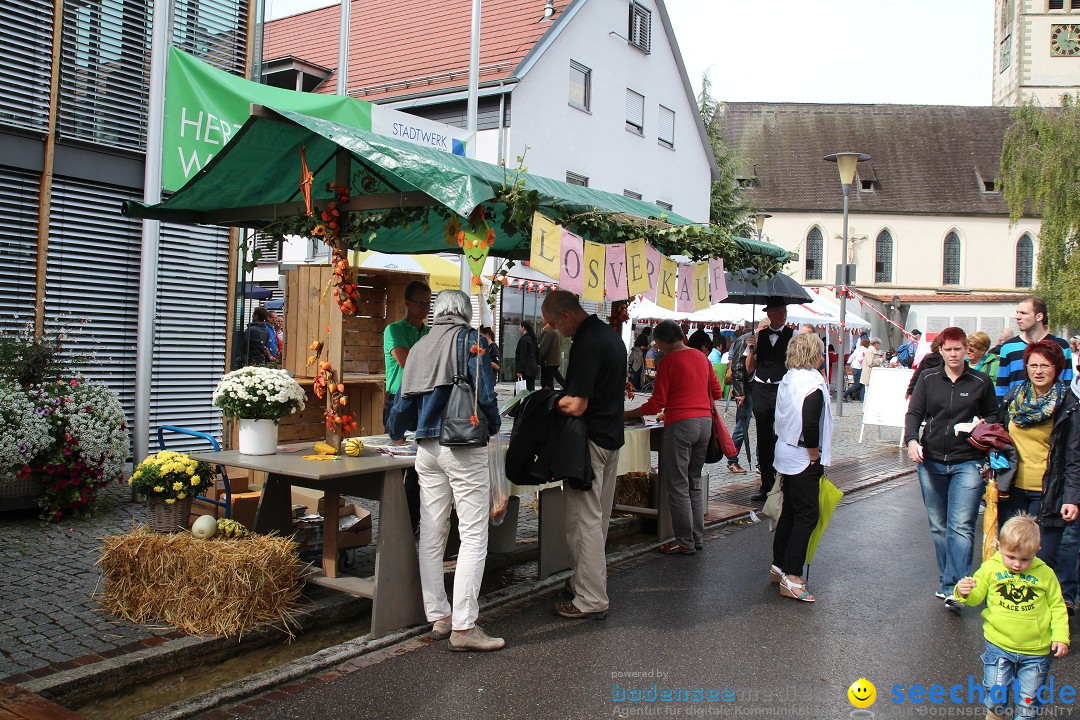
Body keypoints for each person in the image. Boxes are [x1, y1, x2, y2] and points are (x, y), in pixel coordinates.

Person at [387, 290, 503, 652]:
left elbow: (402, 405)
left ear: (438, 311)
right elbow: (484, 395)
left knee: (433, 532)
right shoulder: (471, 340)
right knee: (472, 535)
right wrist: (495, 424)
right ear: (465, 313)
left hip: (426, 449)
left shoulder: (420, 345)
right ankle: (465, 627)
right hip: (462, 446)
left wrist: (394, 431)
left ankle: (439, 614)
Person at [541, 290, 625, 621]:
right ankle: (583, 582)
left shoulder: (587, 343)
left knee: (584, 522)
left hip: (589, 442)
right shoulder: (609, 335)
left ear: (567, 316)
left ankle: (590, 597)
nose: (551, 329)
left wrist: (545, 401)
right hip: (609, 438)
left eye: (551, 323)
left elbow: (576, 404)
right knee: (596, 520)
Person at [905, 326, 999, 609]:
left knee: (961, 525)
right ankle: (947, 582)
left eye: (959, 349)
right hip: (931, 461)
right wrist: (911, 441)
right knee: (939, 526)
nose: (954, 354)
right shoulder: (929, 378)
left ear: (966, 350)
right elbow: (915, 413)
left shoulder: (980, 381)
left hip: (968, 461)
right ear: (942, 350)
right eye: (949, 349)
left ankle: (958, 586)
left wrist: (982, 425)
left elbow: (994, 415)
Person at [992, 340, 1080, 613]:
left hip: (1048, 493)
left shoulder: (1069, 404)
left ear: (1056, 369)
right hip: (1012, 489)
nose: (1038, 371)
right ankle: (1011, 617)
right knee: (1010, 555)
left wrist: (1072, 498)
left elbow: (1074, 457)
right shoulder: (1013, 398)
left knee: (1040, 561)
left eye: (1046, 366)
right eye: (1033, 365)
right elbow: (1001, 438)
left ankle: (1042, 621)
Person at [954, 514, 1069, 720]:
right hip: (999, 645)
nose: (1017, 564)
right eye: (1011, 557)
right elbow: (977, 597)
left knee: (1029, 700)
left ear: (1037, 551)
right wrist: (964, 592)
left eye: (1025, 559)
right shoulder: (991, 568)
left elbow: (1057, 607)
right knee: (996, 694)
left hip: (1035, 650)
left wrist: (1061, 636)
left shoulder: (1045, 574)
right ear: (998, 546)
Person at [625, 320, 723, 555]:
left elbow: (656, 403)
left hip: (681, 425)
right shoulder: (702, 357)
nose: (655, 346)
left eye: (656, 342)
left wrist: (626, 414)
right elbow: (717, 392)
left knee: (678, 486)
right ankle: (696, 538)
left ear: (664, 340)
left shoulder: (668, 361)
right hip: (705, 424)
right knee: (694, 483)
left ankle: (685, 542)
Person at [770, 332, 833, 603]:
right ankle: (792, 575)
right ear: (813, 354)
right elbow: (810, 425)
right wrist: (815, 456)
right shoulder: (812, 385)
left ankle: (779, 565)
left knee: (790, 513)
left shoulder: (788, 379)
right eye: (820, 352)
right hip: (802, 456)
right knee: (807, 516)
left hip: (785, 450)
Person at [383, 280, 431, 534]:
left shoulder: (430, 332)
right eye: (421, 303)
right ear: (408, 303)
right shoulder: (394, 330)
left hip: (423, 401)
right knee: (394, 467)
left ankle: (411, 525)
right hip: (398, 401)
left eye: (428, 303)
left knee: (418, 468)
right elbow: (405, 361)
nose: (425, 308)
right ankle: (395, 524)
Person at [746, 300, 794, 502]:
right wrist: (751, 350)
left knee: (783, 434)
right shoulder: (759, 336)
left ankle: (783, 482)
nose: (782, 315)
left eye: (784, 311)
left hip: (782, 386)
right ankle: (766, 485)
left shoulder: (794, 336)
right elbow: (749, 368)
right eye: (778, 312)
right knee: (763, 436)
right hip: (762, 387)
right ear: (770, 314)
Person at [997, 296, 1073, 399]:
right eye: (1017, 313)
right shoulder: (1008, 347)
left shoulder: (1060, 346)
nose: (1017, 317)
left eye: (1023, 313)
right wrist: (1002, 412)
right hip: (1016, 410)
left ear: (1039, 316)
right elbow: (1002, 386)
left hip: (1053, 409)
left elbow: (1066, 383)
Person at [724, 323, 756, 475]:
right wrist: (739, 391)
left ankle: (760, 463)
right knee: (741, 426)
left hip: (758, 388)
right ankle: (732, 459)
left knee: (765, 426)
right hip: (746, 388)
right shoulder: (743, 341)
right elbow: (736, 367)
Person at [842, 337, 871, 402]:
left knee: (860, 384)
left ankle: (862, 398)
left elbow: (850, 359)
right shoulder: (866, 351)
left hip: (854, 366)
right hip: (859, 367)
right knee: (858, 384)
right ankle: (845, 395)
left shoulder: (857, 349)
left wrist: (850, 364)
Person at [538, 320, 564, 390]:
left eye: (543, 317)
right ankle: (567, 387)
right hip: (555, 360)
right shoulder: (557, 330)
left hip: (548, 360)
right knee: (556, 376)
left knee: (547, 382)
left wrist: (538, 357)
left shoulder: (548, 331)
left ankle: (548, 395)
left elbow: (544, 347)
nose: (542, 318)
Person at [515, 320, 540, 392]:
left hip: (526, 369)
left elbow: (523, 356)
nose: (519, 328)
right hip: (532, 367)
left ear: (523, 328)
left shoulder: (524, 340)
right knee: (531, 388)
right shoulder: (532, 339)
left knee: (524, 390)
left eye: (520, 327)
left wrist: (519, 370)